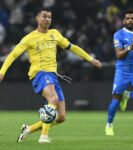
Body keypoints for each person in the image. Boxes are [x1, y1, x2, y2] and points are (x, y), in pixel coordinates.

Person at [0, 7, 101, 143]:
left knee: (61, 117)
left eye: (49, 17)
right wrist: (1, 72)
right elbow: (12, 55)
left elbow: (73, 47)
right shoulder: (29, 38)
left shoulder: (55, 34)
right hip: (39, 74)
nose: (47, 19)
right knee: (52, 99)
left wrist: (90, 59)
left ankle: (28, 129)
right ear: (37, 18)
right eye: (44, 16)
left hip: (53, 75)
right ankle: (44, 136)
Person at [105, 9, 133, 136]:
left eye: (132, 18)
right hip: (122, 72)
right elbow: (118, 55)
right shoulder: (118, 35)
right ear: (124, 21)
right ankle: (109, 124)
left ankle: (128, 95)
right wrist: (129, 47)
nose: (130, 20)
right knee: (115, 101)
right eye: (128, 18)